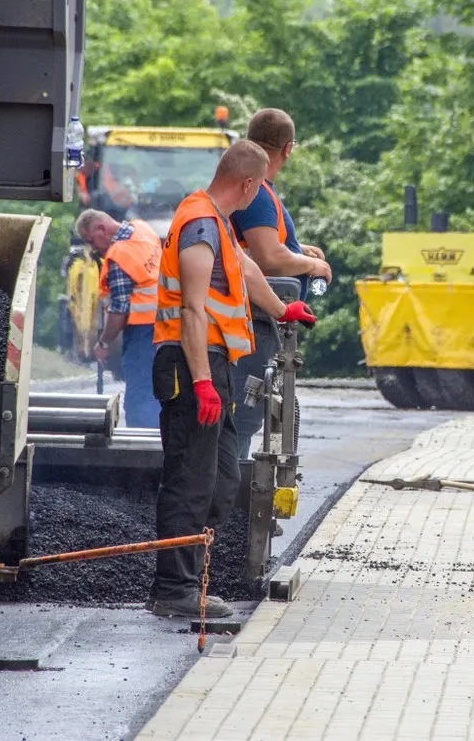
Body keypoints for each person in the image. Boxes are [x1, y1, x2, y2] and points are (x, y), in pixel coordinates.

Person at [151, 140, 317, 618]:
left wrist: (283, 308)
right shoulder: (200, 225)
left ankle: (189, 581)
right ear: (247, 184)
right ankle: (172, 589)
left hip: (212, 365)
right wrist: (202, 382)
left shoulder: (218, 224)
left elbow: (246, 271)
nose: (257, 196)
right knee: (190, 478)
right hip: (190, 366)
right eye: (258, 188)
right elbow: (192, 309)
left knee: (221, 479)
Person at [229, 109, 333, 460]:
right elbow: (269, 257)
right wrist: (313, 265)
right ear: (288, 148)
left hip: (259, 320)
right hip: (254, 321)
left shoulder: (259, 191)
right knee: (244, 414)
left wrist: (297, 250)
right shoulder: (257, 192)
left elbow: (260, 246)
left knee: (250, 412)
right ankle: (231, 493)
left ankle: (231, 491)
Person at [74, 210, 162, 429]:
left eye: (91, 241)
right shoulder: (143, 230)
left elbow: (120, 308)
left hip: (144, 333)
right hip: (167, 326)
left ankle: (142, 453)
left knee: (140, 397)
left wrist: (104, 343)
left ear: (101, 229)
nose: (93, 249)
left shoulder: (119, 256)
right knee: (158, 393)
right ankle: (161, 450)